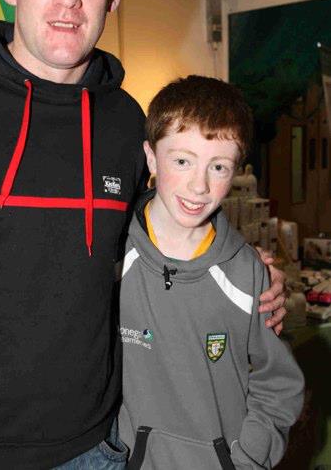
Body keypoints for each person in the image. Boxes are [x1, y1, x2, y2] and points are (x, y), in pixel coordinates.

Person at [0, 0, 286, 469]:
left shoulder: (124, 120)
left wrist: (247, 272)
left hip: (94, 448)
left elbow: (167, 228)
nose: (67, 0)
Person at [118, 76, 304, 470]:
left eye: (218, 167)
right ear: (151, 157)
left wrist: (248, 458)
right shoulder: (113, 253)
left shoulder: (246, 274)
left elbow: (278, 383)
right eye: (182, 161)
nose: (199, 185)